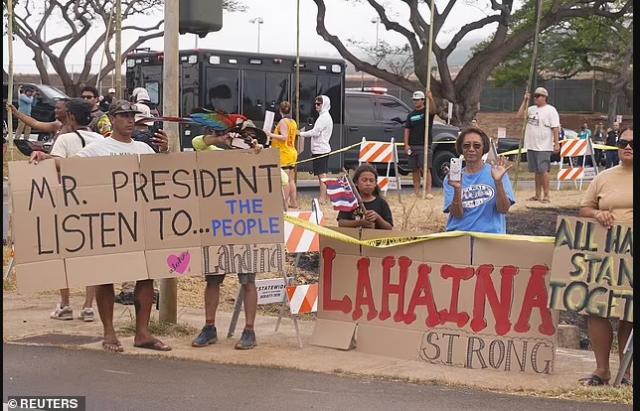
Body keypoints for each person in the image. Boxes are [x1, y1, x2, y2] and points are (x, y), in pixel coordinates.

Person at [30, 101, 171, 353]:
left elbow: (161, 177)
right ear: (112, 119)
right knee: (104, 275)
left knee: (146, 275)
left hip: (139, 222)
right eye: (124, 116)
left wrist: (165, 152)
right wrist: (45, 157)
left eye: (132, 116)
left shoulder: (144, 148)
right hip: (107, 223)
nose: (129, 120)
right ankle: (109, 333)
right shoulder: (97, 148)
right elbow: (70, 165)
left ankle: (143, 332)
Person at [191, 124, 287, 350]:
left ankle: (249, 330)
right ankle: (209, 327)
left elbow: (282, 178)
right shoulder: (219, 156)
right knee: (213, 279)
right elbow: (197, 144)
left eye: (251, 138)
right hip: (219, 228)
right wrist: (220, 139)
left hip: (247, 229)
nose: (246, 140)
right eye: (243, 137)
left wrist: (260, 152)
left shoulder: (261, 160)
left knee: (248, 282)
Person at [578, 127, 633, 387]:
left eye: (633, 143)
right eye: (623, 142)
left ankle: (626, 372)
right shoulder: (603, 177)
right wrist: (597, 214)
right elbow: (585, 208)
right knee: (597, 309)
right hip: (605, 252)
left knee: (630, 313)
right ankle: (602, 370)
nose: (627, 147)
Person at [46, 98, 104, 321]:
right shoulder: (100, 139)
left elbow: (54, 166)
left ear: (70, 116)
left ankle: (65, 304)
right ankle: (89, 307)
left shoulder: (65, 140)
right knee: (92, 256)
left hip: (68, 203)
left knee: (64, 256)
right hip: (96, 204)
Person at [443, 127, 515, 234]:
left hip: (490, 238)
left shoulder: (498, 173)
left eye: (476, 146)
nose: (471, 149)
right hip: (459, 237)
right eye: (466, 145)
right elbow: (457, 214)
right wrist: (457, 189)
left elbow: (503, 209)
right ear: (461, 148)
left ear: (484, 149)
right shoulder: (452, 178)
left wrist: (498, 182)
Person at [517, 87, 560, 204]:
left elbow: (555, 128)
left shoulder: (551, 110)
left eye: (538, 96)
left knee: (543, 170)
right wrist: (525, 101)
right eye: (534, 96)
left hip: (543, 146)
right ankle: (537, 195)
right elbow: (519, 116)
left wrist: (556, 143)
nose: (535, 98)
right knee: (536, 171)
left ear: (544, 97)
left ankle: (546, 195)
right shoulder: (531, 109)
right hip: (531, 145)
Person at [337, 164, 393, 230]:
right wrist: (360, 222)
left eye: (371, 181)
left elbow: (389, 227)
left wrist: (377, 217)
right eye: (364, 180)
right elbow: (341, 223)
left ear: (375, 183)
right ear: (356, 183)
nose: (368, 184)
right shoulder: (349, 201)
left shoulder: (381, 203)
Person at [300, 95, 333, 204]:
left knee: (322, 175)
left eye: (319, 104)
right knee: (320, 175)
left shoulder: (324, 118)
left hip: (321, 150)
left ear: (324, 105)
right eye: (315, 103)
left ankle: (323, 198)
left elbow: (315, 132)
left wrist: (300, 134)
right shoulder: (323, 117)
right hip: (319, 149)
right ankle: (323, 197)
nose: (316, 106)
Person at [404, 90, 437, 198]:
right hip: (412, 145)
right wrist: (406, 144)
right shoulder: (411, 115)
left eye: (417, 99)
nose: (415, 102)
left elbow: (433, 110)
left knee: (425, 168)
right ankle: (416, 191)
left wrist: (430, 98)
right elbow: (407, 130)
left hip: (424, 144)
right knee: (415, 169)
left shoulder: (427, 113)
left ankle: (428, 192)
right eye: (414, 100)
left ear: (423, 100)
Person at [267, 101, 299, 209]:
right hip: (292, 151)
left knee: (284, 180)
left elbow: (284, 137)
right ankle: (293, 202)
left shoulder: (282, 122)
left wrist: (271, 134)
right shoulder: (293, 122)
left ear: (280, 110)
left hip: (284, 152)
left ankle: (285, 202)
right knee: (291, 179)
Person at [6, 98, 71, 146]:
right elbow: (35, 123)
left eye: (58, 108)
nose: (55, 110)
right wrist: (16, 112)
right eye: (55, 108)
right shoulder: (57, 125)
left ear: (68, 111)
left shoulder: (73, 129)